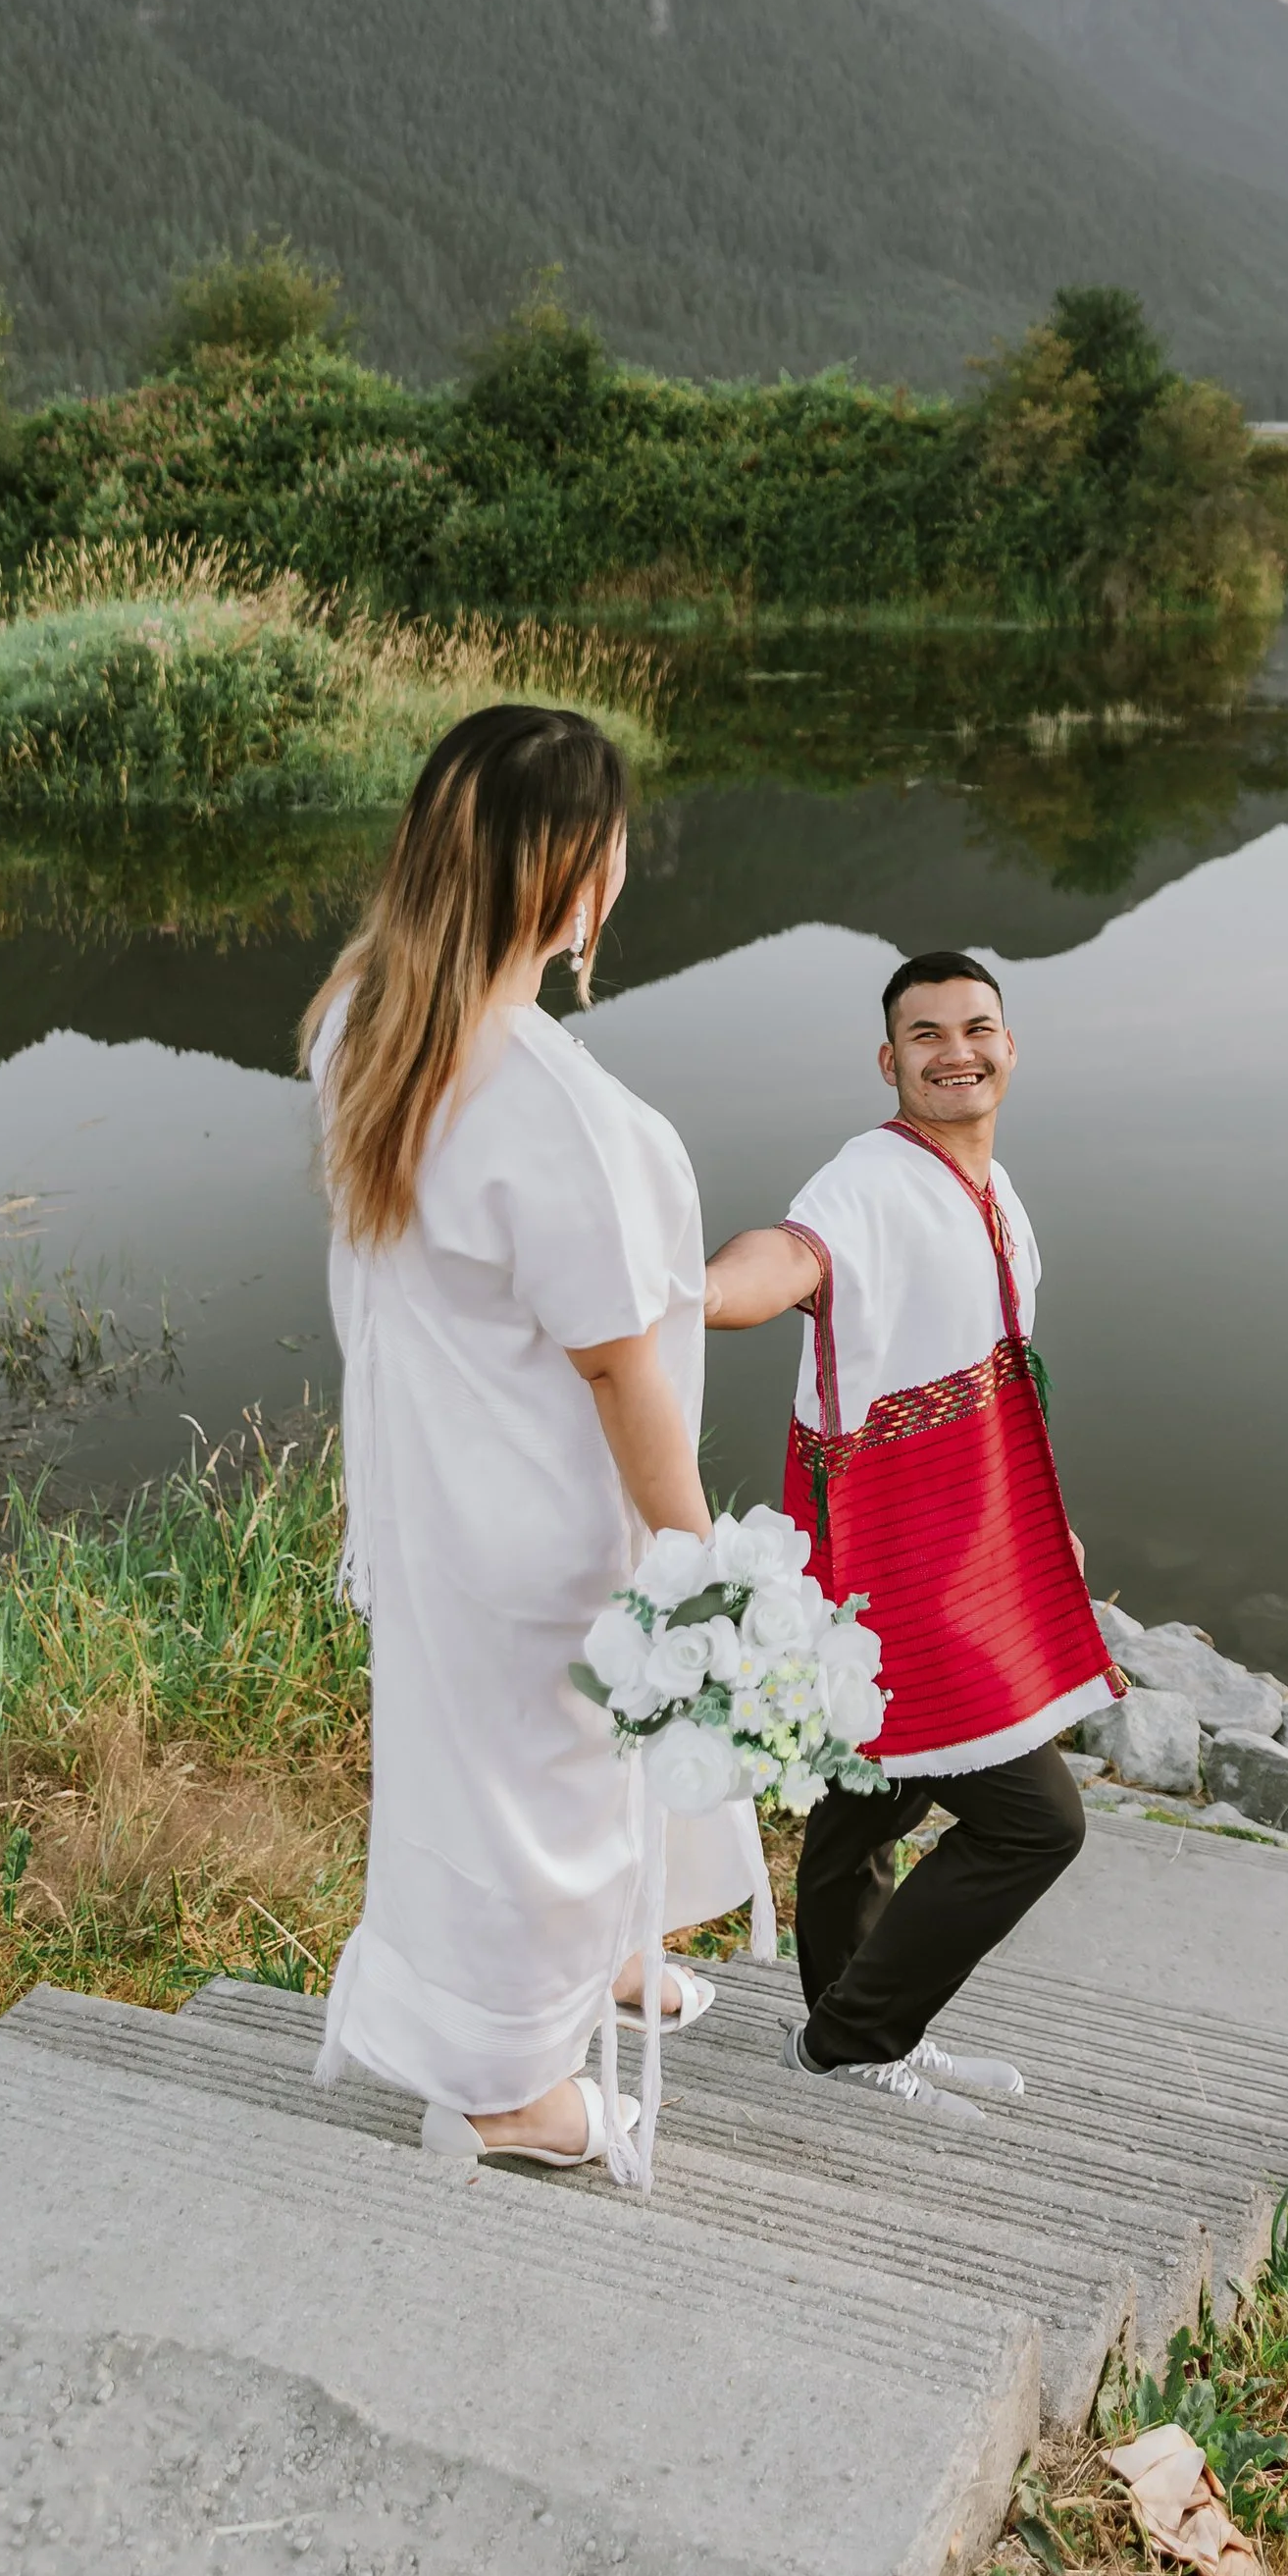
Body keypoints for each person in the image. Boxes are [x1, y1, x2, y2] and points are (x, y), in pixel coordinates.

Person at [301, 703, 764, 2170]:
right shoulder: (553, 1103)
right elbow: (626, 1375)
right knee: (544, 1794)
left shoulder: (358, 1020)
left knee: (471, 1774)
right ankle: (507, 2091)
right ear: (580, 882)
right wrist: (699, 1566)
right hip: (543, 1515)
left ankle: (602, 1961)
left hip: (429, 1489)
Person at [704, 950, 1114, 2125]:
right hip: (892, 1562)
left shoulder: (996, 1192)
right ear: (889, 1063)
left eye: (975, 1027)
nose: (955, 1051)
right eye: (925, 1035)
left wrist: (1053, 1525)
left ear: (1010, 1046)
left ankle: (852, 2026)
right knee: (1037, 1822)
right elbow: (789, 1259)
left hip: (967, 1548)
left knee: (869, 1795)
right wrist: (682, 1293)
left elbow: (1004, 1381)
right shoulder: (868, 1182)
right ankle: (854, 2036)